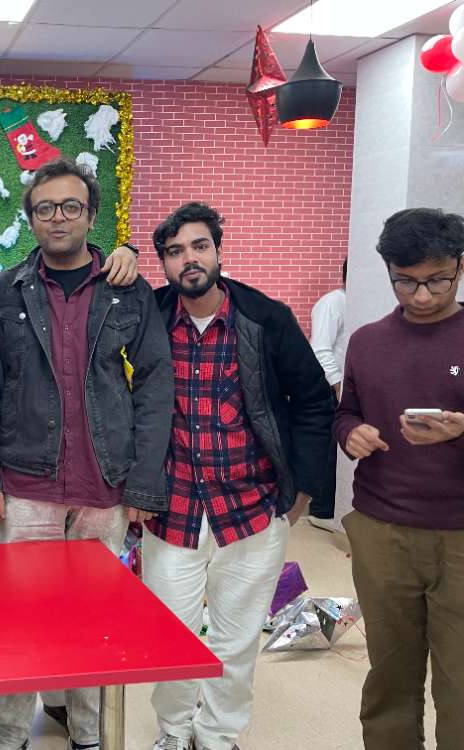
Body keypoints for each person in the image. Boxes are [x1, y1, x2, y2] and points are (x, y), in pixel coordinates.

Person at [0, 158, 174, 750]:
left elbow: (156, 384)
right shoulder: (6, 292)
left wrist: (143, 483)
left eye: (71, 206)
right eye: (46, 208)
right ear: (31, 219)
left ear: (91, 214)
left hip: (104, 482)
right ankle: (11, 734)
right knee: (21, 617)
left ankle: (88, 732)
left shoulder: (127, 290)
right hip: (25, 482)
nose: (58, 217)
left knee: (95, 619)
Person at [0, 191, 141, 747]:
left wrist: (129, 250)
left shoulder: (85, 288)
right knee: (2, 606)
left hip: (83, 475)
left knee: (84, 610)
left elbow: (145, 377)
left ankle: (78, 718)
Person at [143, 202, 333, 750]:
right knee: (170, 634)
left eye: (199, 246)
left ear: (219, 251)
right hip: (172, 508)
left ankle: (217, 735)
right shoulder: (149, 318)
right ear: (164, 263)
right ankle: (174, 732)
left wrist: (303, 492)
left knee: (235, 637)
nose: (189, 259)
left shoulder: (266, 319)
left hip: (251, 507)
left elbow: (314, 402)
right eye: (175, 251)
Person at [335, 208, 464, 750]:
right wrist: (352, 433)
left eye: (438, 280)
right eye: (405, 281)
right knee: (389, 675)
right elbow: (345, 412)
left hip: (459, 536)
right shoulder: (368, 341)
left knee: (460, 684)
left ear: (459, 266)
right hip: (382, 530)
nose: (423, 295)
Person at [308, 257, 348, 530]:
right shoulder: (333, 302)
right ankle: (322, 512)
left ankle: (330, 509)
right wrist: (338, 385)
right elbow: (320, 349)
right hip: (332, 388)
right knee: (330, 452)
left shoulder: (353, 302)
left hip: (346, 388)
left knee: (340, 451)